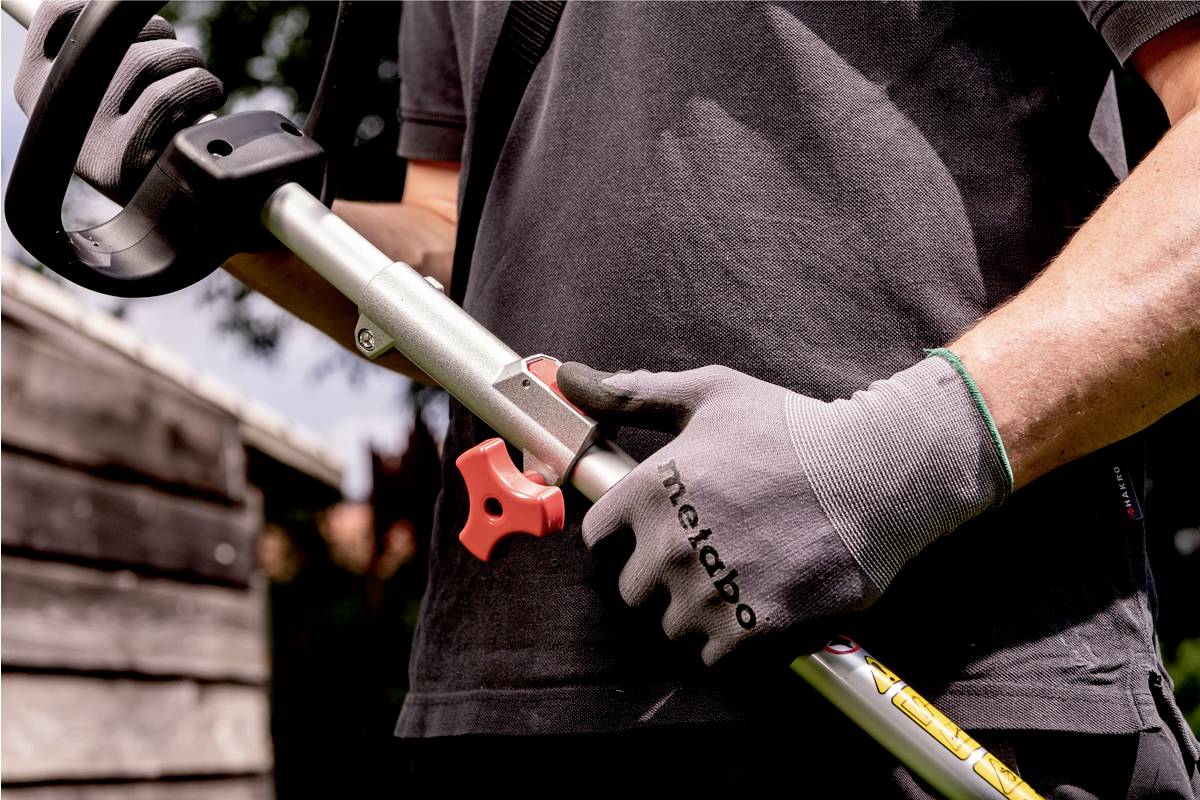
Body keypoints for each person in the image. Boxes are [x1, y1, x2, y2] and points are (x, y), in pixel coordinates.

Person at [16, 1, 1200, 796]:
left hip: (937, 701)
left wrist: (891, 460)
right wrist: (221, 210)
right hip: (514, 703)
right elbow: (458, 264)